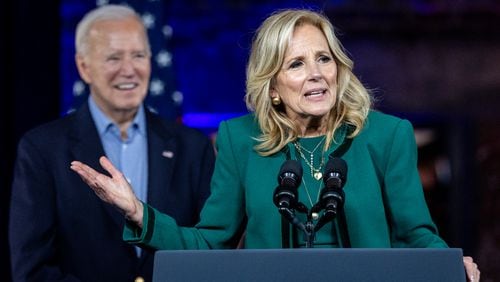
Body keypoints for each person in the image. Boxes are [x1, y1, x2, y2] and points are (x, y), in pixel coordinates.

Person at [70, 8, 480, 282]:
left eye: (324, 58)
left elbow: (417, 234)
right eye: (296, 64)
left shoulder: (386, 136)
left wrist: (450, 262)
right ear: (274, 86)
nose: (316, 74)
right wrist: (139, 212)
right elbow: (212, 241)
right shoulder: (240, 140)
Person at [9, 4, 215, 282]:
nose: (129, 70)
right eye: (113, 58)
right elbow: (32, 270)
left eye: (139, 55)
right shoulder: (42, 150)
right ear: (84, 67)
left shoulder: (193, 147)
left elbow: (210, 250)